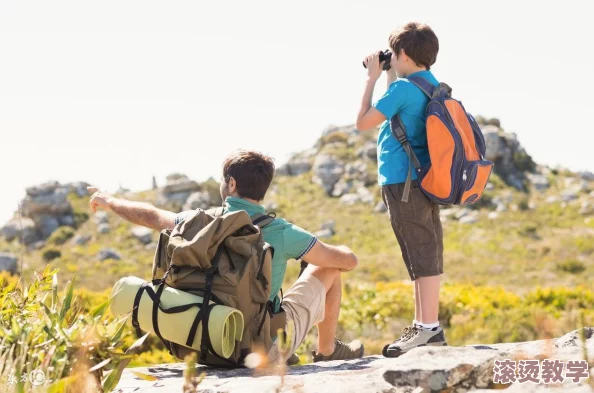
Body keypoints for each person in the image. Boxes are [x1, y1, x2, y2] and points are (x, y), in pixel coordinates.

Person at [88, 149, 364, 364]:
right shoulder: (281, 231)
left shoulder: (195, 222)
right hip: (259, 352)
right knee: (327, 269)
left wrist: (111, 202)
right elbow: (347, 262)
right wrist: (344, 251)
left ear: (231, 184)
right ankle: (327, 351)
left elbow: (149, 215)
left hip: (206, 341)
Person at [355, 22, 447, 357]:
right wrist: (391, 74)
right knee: (424, 249)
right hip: (425, 181)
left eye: (393, 54)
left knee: (418, 252)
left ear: (403, 54)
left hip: (402, 182)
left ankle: (427, 328)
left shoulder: (402, 90)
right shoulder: (429, 84)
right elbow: (400, 112)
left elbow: (363, 121)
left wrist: (371, 78)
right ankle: (424, 324)